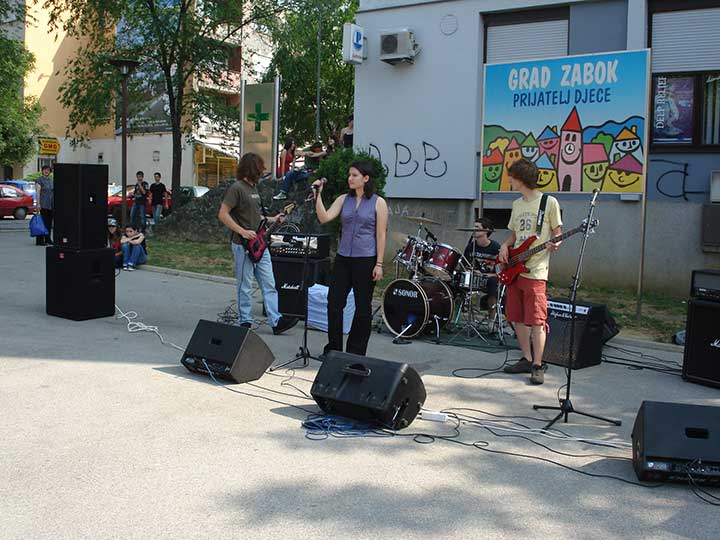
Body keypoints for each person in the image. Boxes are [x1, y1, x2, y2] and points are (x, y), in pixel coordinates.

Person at [313, 160, 388, 356]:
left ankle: (356, 353)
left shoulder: (378, 202)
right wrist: (318, 195)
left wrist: (379, 264)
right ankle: (334, 349)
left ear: (366, 178)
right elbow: (324, 217)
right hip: (343, 258)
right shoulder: (343, 199)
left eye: (354, 175)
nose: (350, 178)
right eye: (349, 175)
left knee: (362, 308)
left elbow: (381, 235)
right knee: (334, 303)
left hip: (366, 259)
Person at [218, 152, 297, 334]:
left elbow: (255, 216)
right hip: (242, 245)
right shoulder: (237, 188)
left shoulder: (254, 189)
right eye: (260, 169)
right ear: (252, 169)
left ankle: (276, 321)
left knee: (269, 283)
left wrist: (273, 219)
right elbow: (223, 214)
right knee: (245, 285)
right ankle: (245, 321)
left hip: (259, 244)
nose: (262, 172)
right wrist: (242, 231)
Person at [499, 158, 562, 385]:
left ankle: (537, 364)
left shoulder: (548, 202)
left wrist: (556, 242)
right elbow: (515, 236)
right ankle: (526, 358)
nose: (509, 181)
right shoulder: (517, 204)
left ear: (521, 178)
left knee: (536, 319)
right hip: (515, 269)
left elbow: (557, 232)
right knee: (516, 316)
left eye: (512, 177)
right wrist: (505, 245)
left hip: (536, 270)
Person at [463, 216, 500, 319]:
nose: (474, 229)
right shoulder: (471, 246)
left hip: (489, 278)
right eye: (474, 227)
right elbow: (464, 264)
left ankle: (491, 320)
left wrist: (483, 274)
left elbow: (500, 272)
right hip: (473, 278)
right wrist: (469, 270)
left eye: (477, 227)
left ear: (486, 230)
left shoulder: (496, 248)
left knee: (494, 283)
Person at [34, 165, 54, 246]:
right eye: (45, 170)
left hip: (50, 205)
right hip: (43, 204)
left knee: (49, 223)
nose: (46, 171)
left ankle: (48, 239)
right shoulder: (39, 180)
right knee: (42, 223)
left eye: (48, 170)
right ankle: (40, 241)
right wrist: (38, 203)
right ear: (42, 171)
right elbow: (38, 192)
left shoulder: (51, 180)